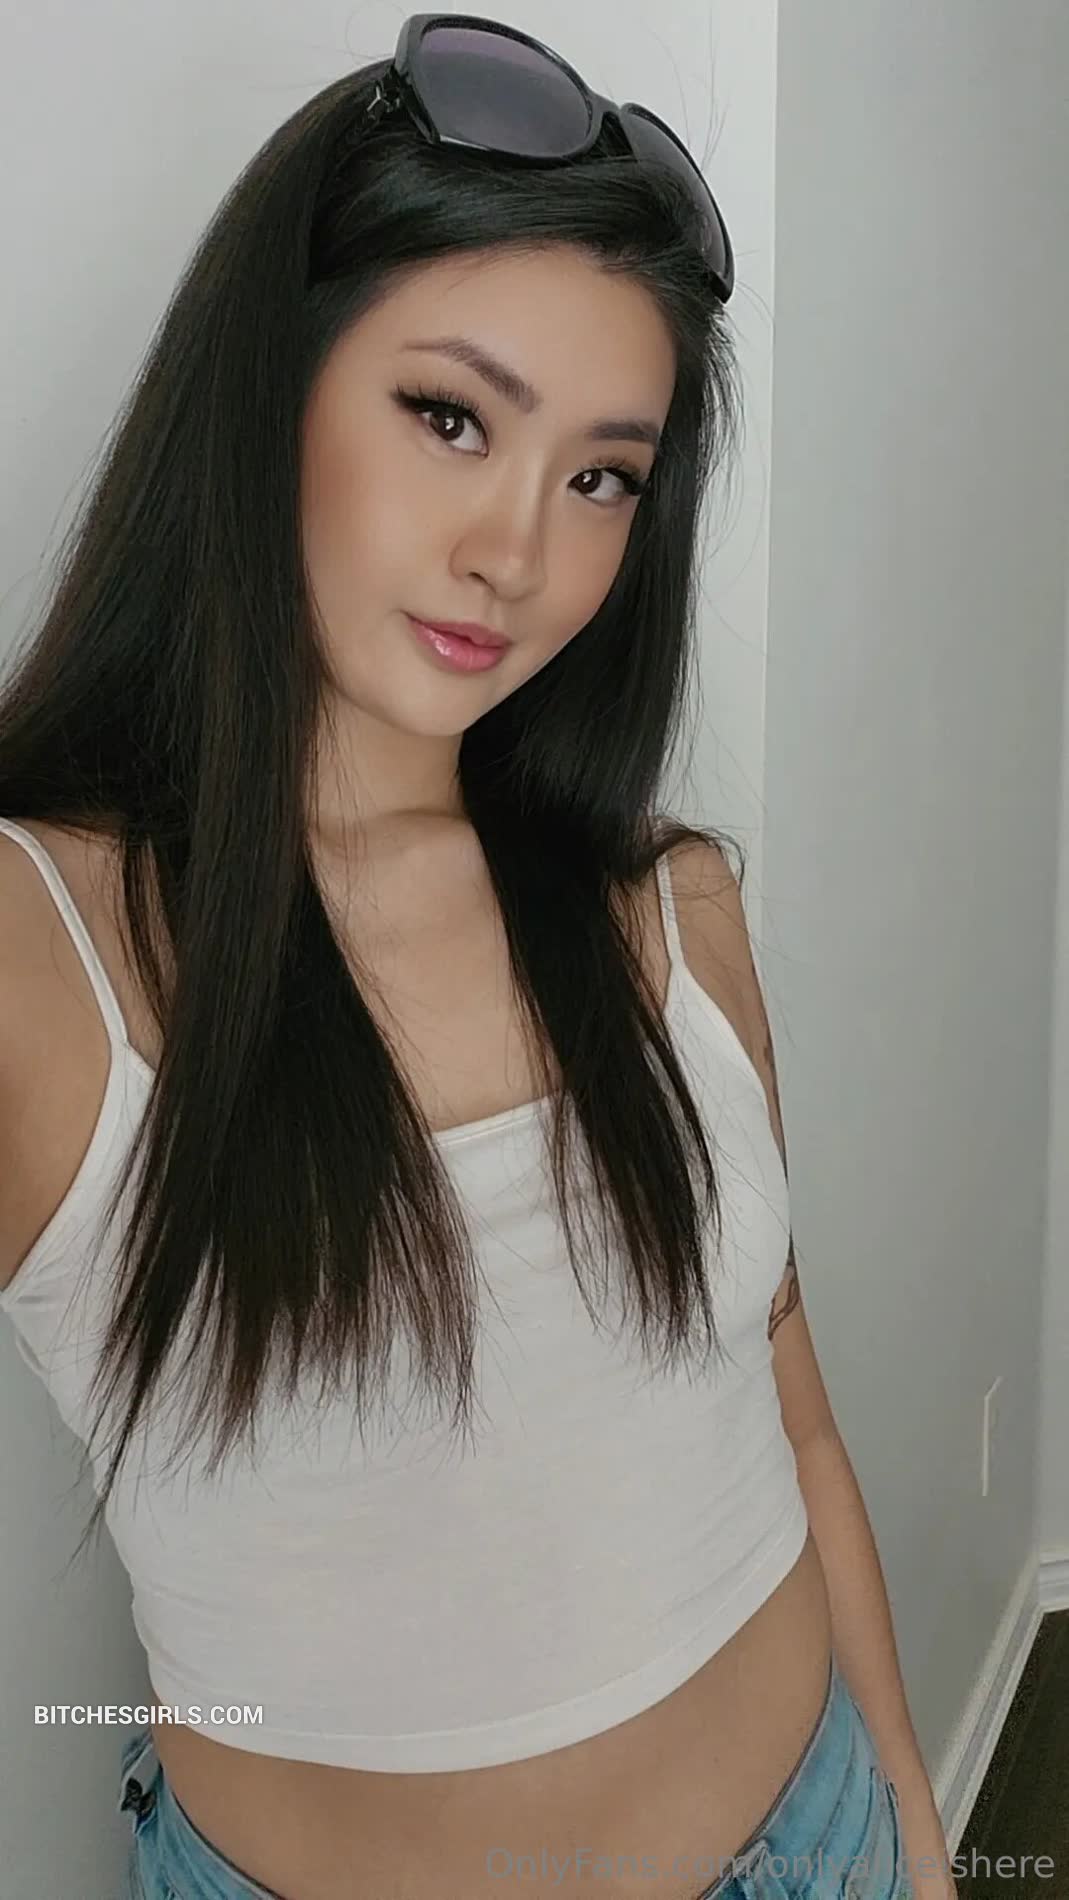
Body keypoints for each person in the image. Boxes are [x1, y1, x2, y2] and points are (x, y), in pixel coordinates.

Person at [0, 16, 955, 1899]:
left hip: (820, 1840)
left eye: (603, 477)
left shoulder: (669, 906)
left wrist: (915, 1833)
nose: (516, 549)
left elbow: (790, 1407)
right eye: (450, 417)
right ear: (267, 390)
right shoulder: (48, 951)